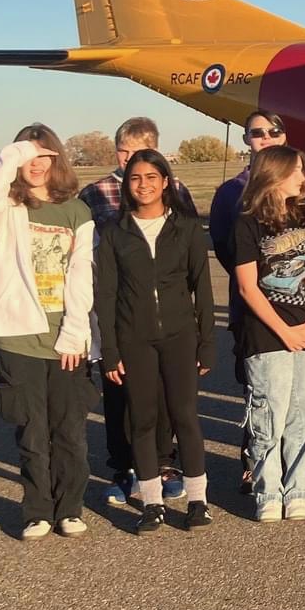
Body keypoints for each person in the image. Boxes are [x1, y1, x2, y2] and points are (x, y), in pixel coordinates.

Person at [0, 125, 97, 539]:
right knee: (31, 432)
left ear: (56, 160)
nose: (36, 164)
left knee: (69, 432)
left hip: (66, 337)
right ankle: (37, 511)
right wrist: (13, 155)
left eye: (44, 155)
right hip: (19, 336)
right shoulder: (7, 210)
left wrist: (75, 332)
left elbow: (82, 274)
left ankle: (70, 508)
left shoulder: (76, 211)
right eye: (28, 156)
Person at [94, 148, 216, 532]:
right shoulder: (114, 232)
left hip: (180, 337)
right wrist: (110, 350)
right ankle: (151, 504)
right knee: (142, 420)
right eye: (135, 178)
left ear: (165, 182)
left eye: (151, 177)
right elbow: (106, 296)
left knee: (184, 416)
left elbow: (203, 289)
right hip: (135, 340)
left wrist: (207, 341)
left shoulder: (186, 228)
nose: (143, 185)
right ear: (126, 185)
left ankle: (197, 501)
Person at [81, 116, 197, 510]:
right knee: (119, 395)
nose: (128, 158)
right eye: (123, 151)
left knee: (162, 397)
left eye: (138, 150)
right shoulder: (95, 192)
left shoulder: (175, 190)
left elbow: (188, 245)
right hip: (119, 309)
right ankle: (123, 468)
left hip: (165, 313)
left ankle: (164, 464)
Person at [211, 109, 305, 496]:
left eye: (273, 131)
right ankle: (258, 472)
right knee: (263, 398)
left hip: (302, 312)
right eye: (257, 132)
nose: (266, 137)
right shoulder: (231, 194)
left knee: (303, 403)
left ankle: (295, 482)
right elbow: (228, 252)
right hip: (257, 315)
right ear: (247, 139)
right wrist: (265, 291)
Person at [231, 144, 305, 521]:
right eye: (295, 171)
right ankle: (268, 492)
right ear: (273, 175)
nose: (302, 177)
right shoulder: (247, 223)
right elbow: (247, 288)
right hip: (267, 334)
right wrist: (284, 331)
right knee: (269, 415)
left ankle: (298, 490)